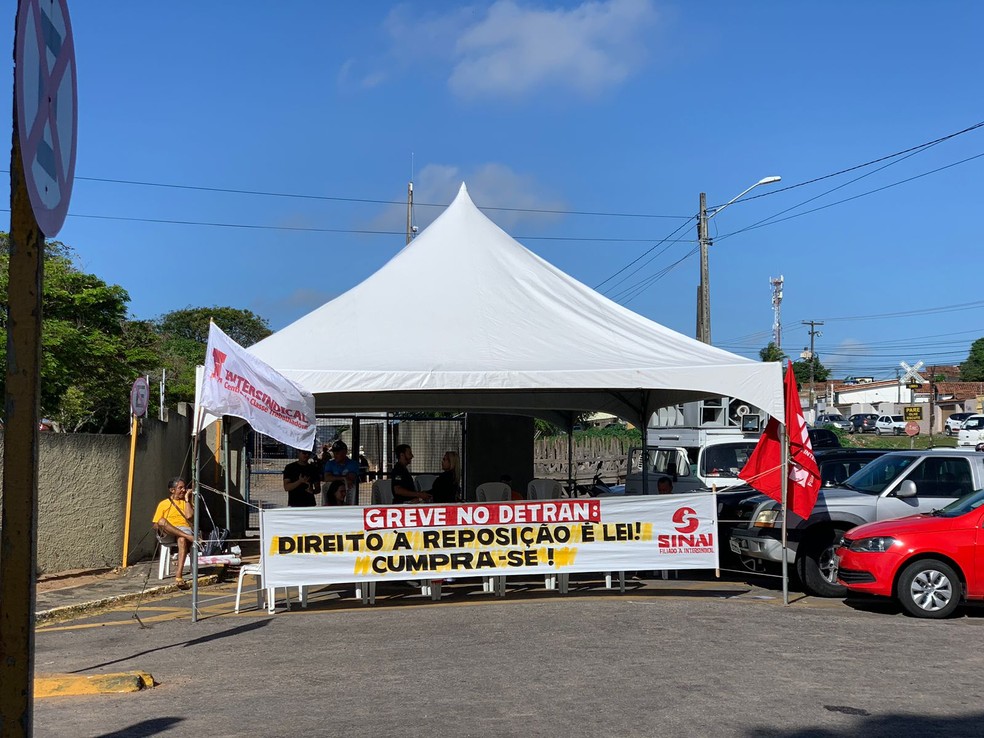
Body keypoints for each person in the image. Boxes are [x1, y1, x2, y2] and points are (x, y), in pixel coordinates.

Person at [152, 477, 195, 588]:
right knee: (162, 521)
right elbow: (156, 524)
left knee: (182, 539)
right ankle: (186, 536)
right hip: (168, 532)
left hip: (184, 530)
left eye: (184, 488)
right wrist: (166, 527)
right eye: (180, 488)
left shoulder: (188, 502)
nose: (184, 490)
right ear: (172, 490)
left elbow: (189, 516)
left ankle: (179, 575)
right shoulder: (163, 504)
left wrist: (187, 500)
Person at [323, 440, 360, 505]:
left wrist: (335, 478)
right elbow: (327, 478)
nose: (335, 455)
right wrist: (343, 478)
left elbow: (350, 479)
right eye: (334, 453)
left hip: (347, 492)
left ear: (344, 452)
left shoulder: (353, 464)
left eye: (337, 453)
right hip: (332, 495)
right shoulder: (330, 463)